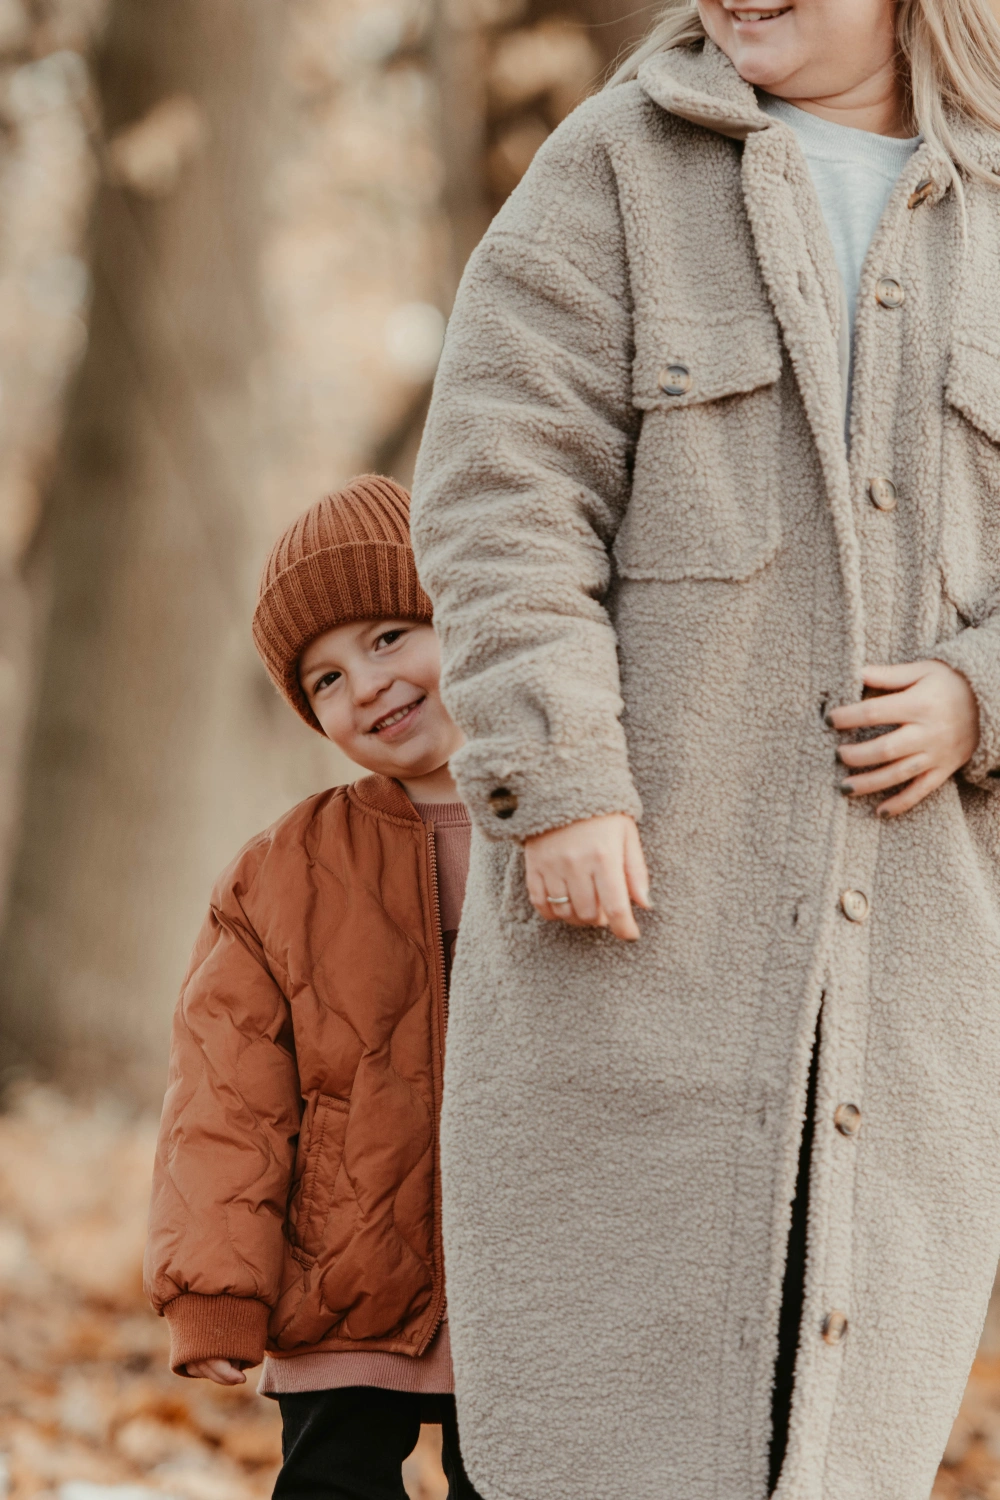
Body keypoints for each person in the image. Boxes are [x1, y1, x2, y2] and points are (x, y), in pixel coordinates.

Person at [408, 2, 1000, 1497]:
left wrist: (979, 695)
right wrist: (559, 779)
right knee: (601, 1417)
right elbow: (500, 490)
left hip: (919, 969)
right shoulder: (609, 170)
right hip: (641, 933)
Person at [143, 475, 481, 1500]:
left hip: (535, 1288)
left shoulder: (573, 822)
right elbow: (223, 1096)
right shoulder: (281, 872)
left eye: (388, 637)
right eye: (324, 679)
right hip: (342, 1279)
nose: (365, 685)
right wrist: (214, 1294)